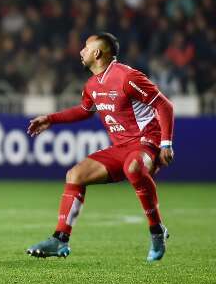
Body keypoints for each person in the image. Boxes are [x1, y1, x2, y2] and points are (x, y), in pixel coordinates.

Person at [26, 33, 175, 261]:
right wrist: (51, 119)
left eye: (85, 47)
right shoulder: (92, 84)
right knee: (75, 175)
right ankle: (59, 239)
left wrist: (166, 143)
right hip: (121, 147)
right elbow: (85, 111)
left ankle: (156, 231)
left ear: (97, 53)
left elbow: (165, 106)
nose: (81, 51)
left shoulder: (127, 77)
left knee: (133, 167)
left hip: (147, 142)